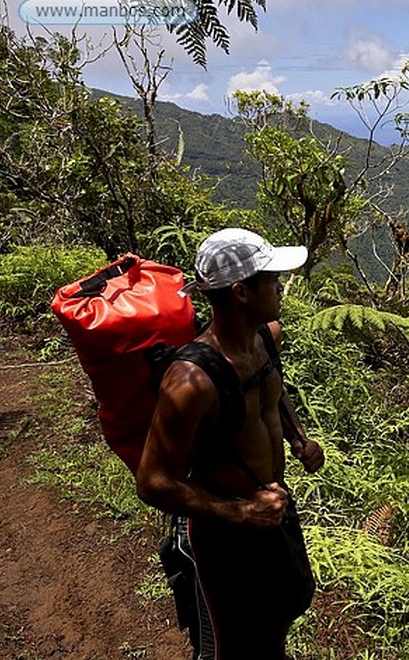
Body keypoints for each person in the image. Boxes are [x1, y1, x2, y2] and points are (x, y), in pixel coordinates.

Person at [137, 228, 325, 659]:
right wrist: (241, 512)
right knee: (228, 645)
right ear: (241, 292)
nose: (280, 286)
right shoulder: (191, 382)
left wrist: (297, 437)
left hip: (269, 513)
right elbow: (152, 482)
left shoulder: (266, 337)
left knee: (276, 616)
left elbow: (270, 391)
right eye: (271, 277)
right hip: (221, 534)